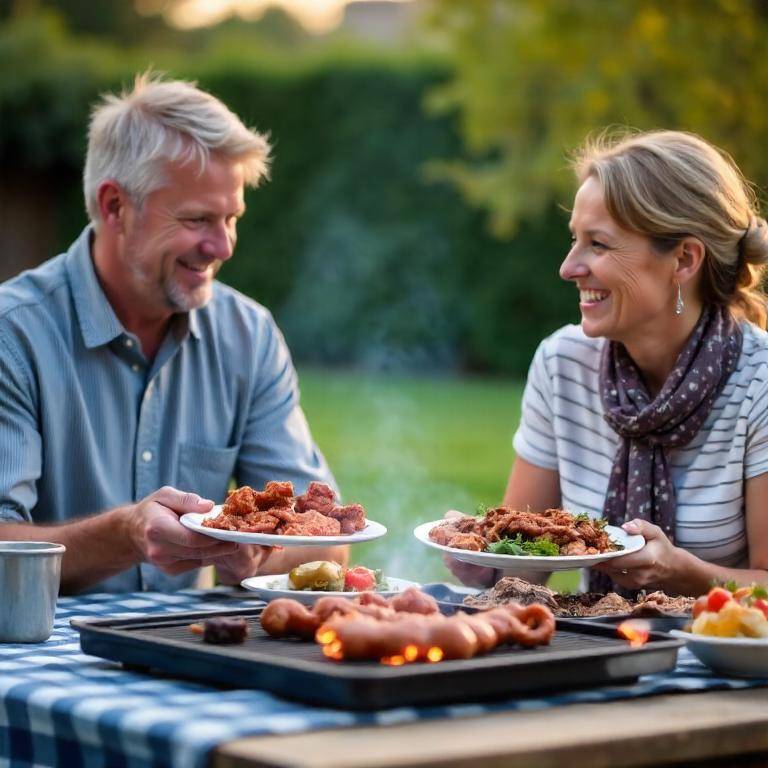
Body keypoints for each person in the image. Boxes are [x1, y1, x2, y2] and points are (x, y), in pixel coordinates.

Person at [0, 72, 347, 594]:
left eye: (232, 218)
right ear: (116, 206)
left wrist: (259, 558)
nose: (224, 246)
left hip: (187, 650)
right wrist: (127, 534)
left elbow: (328, 538)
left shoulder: (247, 335)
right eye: (198, 219)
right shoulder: (14, 335)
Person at [449, 129, 768, 596]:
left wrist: (684, 573)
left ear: (683, 259)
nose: (568, 267)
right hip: (594, 649)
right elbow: (524, 564)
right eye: (575, 239)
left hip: (721, 660)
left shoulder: (757, 383)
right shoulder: (562, 364)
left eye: (597, 244)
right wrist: (486, 560)